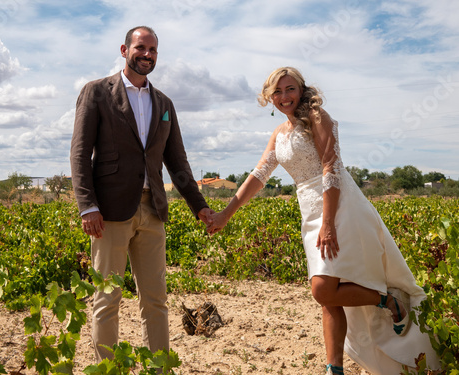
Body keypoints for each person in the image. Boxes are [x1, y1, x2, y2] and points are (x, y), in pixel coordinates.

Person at [206, 67, 440, 375]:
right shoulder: (279, 134)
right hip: (310, 211)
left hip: (340, 206)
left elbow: (331, 166)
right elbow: (259, 176)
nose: (284, 96)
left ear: (301, 90)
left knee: (322, 288)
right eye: (277, 92)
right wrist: (225, 213)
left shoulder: (318, 118)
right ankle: (335, 368)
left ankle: (389, 300)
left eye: (289, 89)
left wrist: (329, 222)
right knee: (329, 295)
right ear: (269, 97)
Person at [70, 26, 214, 361]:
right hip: (108, 213)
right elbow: (80, 153)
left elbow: (177, 162)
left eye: (153, 50)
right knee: (108, 299)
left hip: (152, 210)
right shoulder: (97, 93)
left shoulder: (164, 103)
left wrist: (200, 206)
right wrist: (87, 205)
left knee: (156, 299)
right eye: (140, 48)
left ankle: (159, 368)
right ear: (124, 49)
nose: (146, 54)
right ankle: (108, 368)